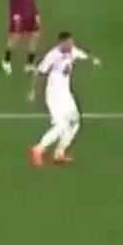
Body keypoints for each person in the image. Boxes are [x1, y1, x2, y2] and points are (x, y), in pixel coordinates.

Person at [29, 32, 100, 165]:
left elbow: (83, 54)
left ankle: (59, 153)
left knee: (75, 122)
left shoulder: (71, 51)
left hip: (66, 95)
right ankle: (38, 149)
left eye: (71, 43)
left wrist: (93, 59)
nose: (71, 45)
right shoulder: (52, 56)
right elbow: (38, 72)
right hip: (54, 96)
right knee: (61, 125)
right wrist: (32, 91)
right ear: (61, 43)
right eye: (68, 43)